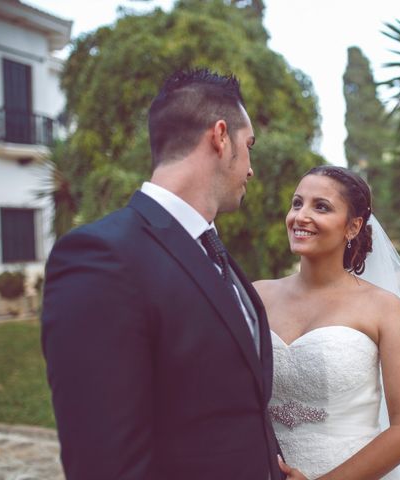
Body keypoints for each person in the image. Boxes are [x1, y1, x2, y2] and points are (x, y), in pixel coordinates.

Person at [41, 68, 282, 479]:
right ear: (221, 137)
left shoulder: (214, 252)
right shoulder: (102, 257)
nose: (251, 169)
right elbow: (105, 464)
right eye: (249, 146)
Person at [254, 165, 400, 479]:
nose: (301, 216)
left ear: (353, 227)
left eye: (321, 207)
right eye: (297, 203)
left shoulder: (384, 309)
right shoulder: (255, 296)